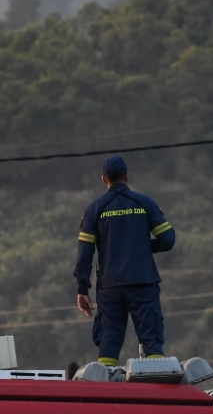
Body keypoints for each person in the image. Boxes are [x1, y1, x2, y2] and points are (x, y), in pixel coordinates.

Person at [74, 155, 175, 366]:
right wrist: (144, 248)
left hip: (110, 287)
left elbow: (85, 254)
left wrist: (82, 289)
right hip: (143, 282)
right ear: (127, 176)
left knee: (108, 341)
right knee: (152, 342)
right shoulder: (144, 203)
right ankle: (157, 386)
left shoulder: (95, 209)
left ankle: (107, 389)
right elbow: (167, 239)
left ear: (104, 179)